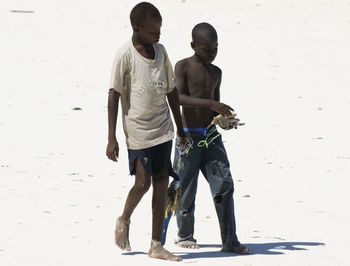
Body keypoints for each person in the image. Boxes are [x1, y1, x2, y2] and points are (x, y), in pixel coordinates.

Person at [106, 2, 189, 262]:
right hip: (138, 131)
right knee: (142, 183)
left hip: (163, 128)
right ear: (137, 28)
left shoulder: (161, 52)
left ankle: (156, 244)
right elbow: (114, 94)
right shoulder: (125, 55)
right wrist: (112, 137)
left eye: (160, 30)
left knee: (162, 184)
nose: (158, 35)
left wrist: (180, 127)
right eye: (153, 31)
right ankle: (124, 217)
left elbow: (171, 90)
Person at [172, 22, 251, 254]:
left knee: (224, 184)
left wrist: (224, 119)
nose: (212, 53)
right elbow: (178, 98)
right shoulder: (183, 66)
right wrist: (211, 104)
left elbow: (214, 107)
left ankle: (230, 239)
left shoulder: (217, 72)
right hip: (188, 137)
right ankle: (185, 235)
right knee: (185, 188)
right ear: (193, 45)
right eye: (207, 50)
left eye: (215, 48)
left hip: (211, 136)